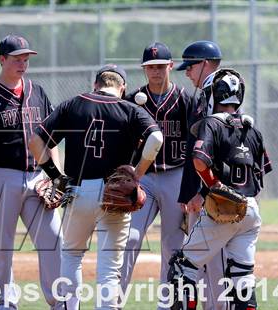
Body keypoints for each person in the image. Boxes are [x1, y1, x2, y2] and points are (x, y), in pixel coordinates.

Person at [29, 64, 163, 309]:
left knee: (71, 256)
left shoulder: (73, 104)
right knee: (110, 267)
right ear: (122, 88)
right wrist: (137, 175)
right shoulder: (130, 109)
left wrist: (56, 178)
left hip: (77, 192)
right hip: (115, 195)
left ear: (96, 84)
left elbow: (35, 141)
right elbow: (157, 138)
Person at [0, 34, 63, 310]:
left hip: (38, 177)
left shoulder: (38, 91)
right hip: (0, 177)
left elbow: (50, 137)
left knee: (53, 241)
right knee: (2, 247)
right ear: (1, 60)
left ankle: (61, 302)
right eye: (17, 59)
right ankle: (3, 304)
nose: (23, 64)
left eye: (26, 59)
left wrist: (55, 176)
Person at [168, 68, 272, 310]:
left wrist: (214, 186)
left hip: (223, 209)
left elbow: (199, 161)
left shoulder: (212, 124)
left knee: (183, 266)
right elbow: (260, 174)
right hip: (250, 209)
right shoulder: (252, 129)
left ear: (213, 95)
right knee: (242, 274)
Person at [119, 42, 193, 307]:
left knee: (173, 245)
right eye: (150, 67)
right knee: (130, 237)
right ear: (144, 69)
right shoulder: (134, 100)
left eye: (161, 66)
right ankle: (114, 300)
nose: (156, 72)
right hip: (145, 178)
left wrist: (190, 187)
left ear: (170, 66)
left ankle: (168, 303)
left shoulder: (185, 99)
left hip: (176, 175)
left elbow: (196, 144)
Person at [176, 40, 228, 310]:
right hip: (202, 190)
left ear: (205, 64)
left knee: (215, 261)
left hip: (213, 191)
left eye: (190, 66)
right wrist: (188, 193)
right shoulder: (203, 94)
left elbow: (217, 150)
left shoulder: (217, 94)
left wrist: (203, 192)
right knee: (202, 260)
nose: (187, 72)